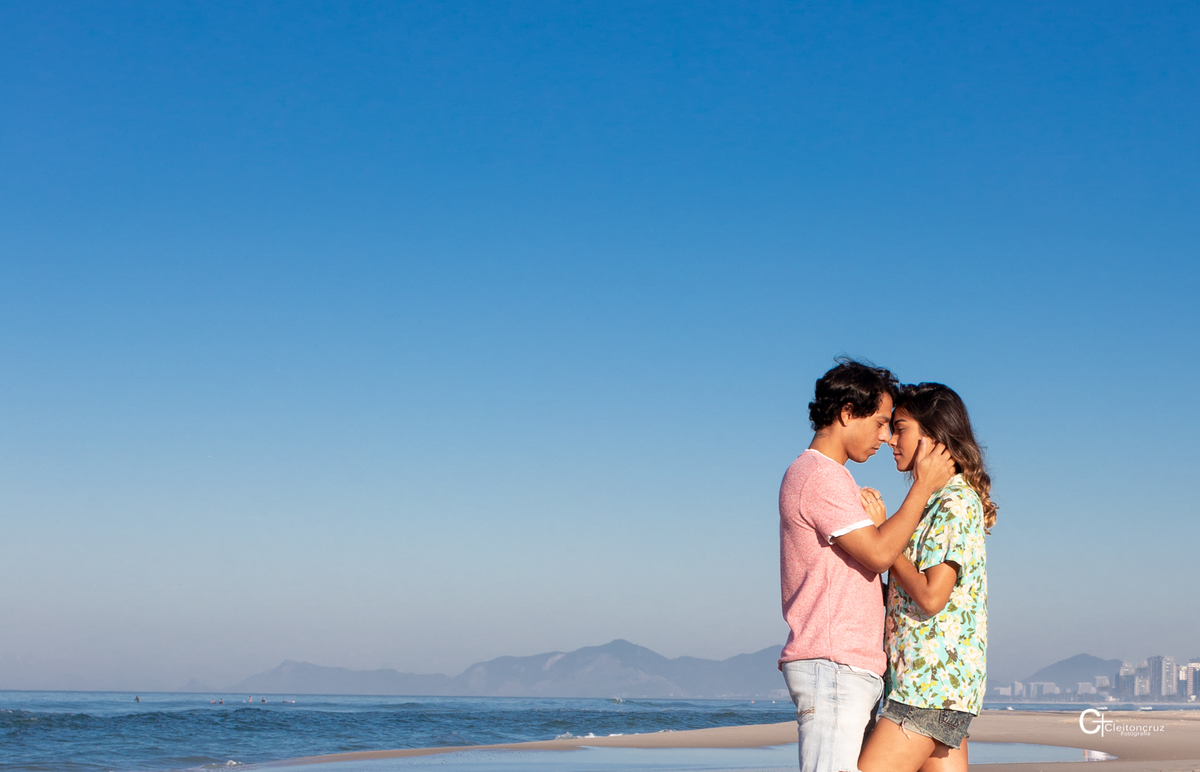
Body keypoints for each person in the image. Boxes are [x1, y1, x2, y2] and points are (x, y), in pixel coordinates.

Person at [779, 359, 956, 772]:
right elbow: (878, 554)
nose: (884, 437)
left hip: (844, 665)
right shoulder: (819, 476)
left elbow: (866, 573)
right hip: (833, 663)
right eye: (878, 423)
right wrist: (924, 487)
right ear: (845, 413)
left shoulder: (829, 478)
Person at [857, 383, 996, 772]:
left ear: (932, 436)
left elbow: (933, 597)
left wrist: (885, 537)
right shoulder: (940, 500)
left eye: (900, 427)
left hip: (928, 689)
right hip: (936, 687)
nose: (890, 440)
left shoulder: (952, 501)